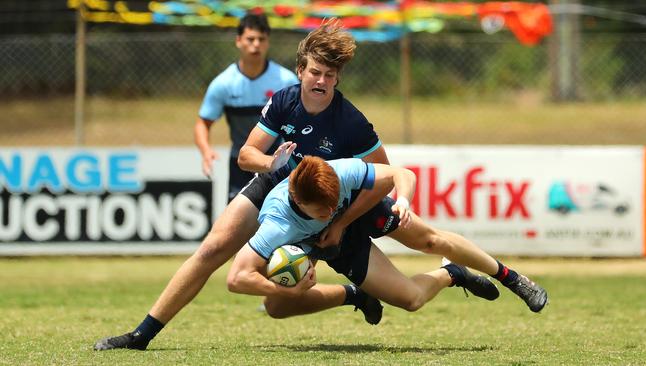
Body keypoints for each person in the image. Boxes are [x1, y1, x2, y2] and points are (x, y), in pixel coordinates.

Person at [94, 18, 391, 351]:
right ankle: (141, 335)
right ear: (300, 71)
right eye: (315, 72)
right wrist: (271, 163)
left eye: (329, 75)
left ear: (337, 78)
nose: (320, 81)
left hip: (314, 207)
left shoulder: (350, 119)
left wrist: (339, 217)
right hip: (275, 184)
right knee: (211, 248)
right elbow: (247, 154)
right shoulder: (284, 99)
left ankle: (360, 291)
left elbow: (383, 173)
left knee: (277, 304)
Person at [227, 156, 548, 319]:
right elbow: (237, 278)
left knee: (429, 240)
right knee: (277, 306)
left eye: (333, 200)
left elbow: (400, 174)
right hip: (323, 243)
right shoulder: (276, 225)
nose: (331, 209)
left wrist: (404, 200)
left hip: (360, 211)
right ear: (298, 201)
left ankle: (514, 279)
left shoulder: (338, 172)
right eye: (322, 208)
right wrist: (292, 287)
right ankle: (451, 274)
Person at [194, 13, 298, 202]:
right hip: (241, 164)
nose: (256, 44)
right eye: (250, 39)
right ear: (238, 41)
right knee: (237, 226)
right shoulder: (223, 84)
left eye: (261, 39)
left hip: (279, 162)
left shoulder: (286, 80)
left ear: (268, 42)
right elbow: (203, 122)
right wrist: (205, 151)